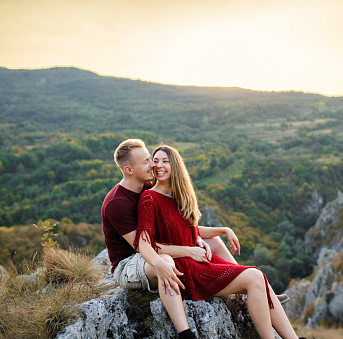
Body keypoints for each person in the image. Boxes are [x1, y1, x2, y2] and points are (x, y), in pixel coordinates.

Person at [102, 139, 288, 339]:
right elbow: (143, 247)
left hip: (154, 250)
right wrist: (189, 250)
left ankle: (244, 288)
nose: (153, 165)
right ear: (129, 170)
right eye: (147, 161)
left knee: (214, 243)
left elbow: (174, 224)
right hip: (130, 262)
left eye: (152, 159)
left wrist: (199, 235)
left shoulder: (147, 185)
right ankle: (185, 333)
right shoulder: (118, 203)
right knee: (164, 263)